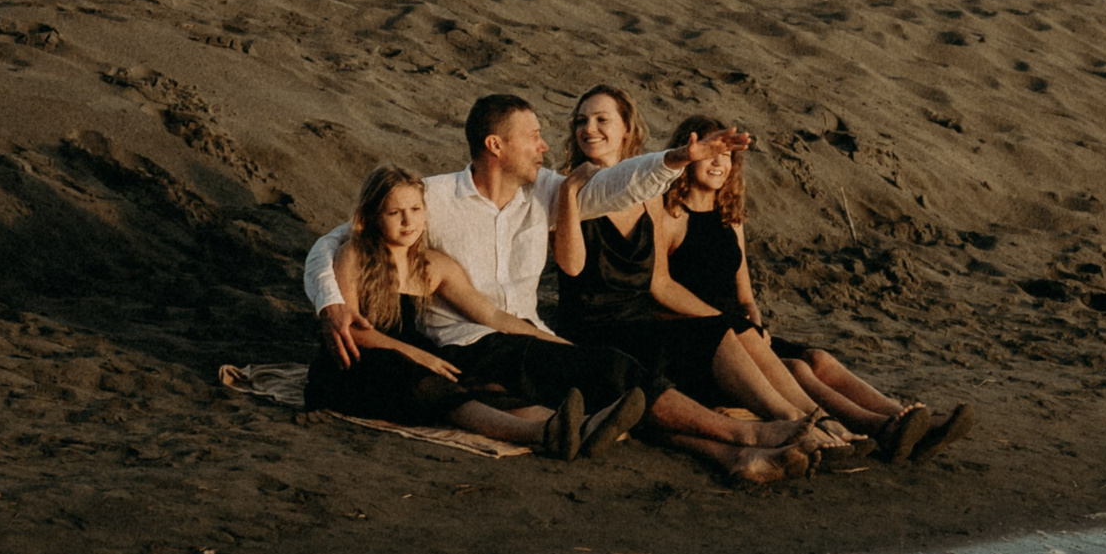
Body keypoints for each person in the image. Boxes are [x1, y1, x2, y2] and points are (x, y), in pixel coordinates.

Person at [304, 95, 811, 486]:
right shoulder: (432, 198)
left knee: (609, 396)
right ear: (495, 146)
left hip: (521, 333)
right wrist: (330, 302)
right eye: (534, 136)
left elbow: (617, 187)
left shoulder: (545, 190)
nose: (545, 146)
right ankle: (744, 433)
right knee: (611, 374)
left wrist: (675, 159)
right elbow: (338, 238)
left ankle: (735, 457)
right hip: (466, 343)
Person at [651, 113, 974, 463]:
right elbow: (661, 288)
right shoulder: (670, 215)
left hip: (741, 329)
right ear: (688, 154)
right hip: (705, 335)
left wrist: (754, 321)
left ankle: (903, 420)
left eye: (727, 154)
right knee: (797, 370)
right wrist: (730, 323)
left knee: (817, 359)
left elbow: (744, 292)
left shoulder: (729, 213)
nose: (718, 163)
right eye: (710, 152)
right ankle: (877, 428)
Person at [551, 87, 855, 459]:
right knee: (720, 332)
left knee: (739, 333)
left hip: (640, 318)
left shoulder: (648, 193)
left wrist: (689, 155)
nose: (589, 128)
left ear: (627, 128)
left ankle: (815, 418)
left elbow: (656, 173)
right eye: (581, 120)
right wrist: (569, 192)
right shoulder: (563, 187)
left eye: (601, 120)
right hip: (592, 325)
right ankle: (793, 420)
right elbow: (571, 266)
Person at [307, 165, 641, 458]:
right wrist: (418, 356)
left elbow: (493, 317)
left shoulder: (432, 265)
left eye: (415, 209)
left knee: (480, 385)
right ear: (372, 216)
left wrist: (554, 343)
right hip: (357, 362)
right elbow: (352, 329)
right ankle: (542, 433)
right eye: (394, 213)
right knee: (429, 383)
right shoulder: (354, 255)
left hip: (412, 354)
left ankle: (582, 427)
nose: (408, 221)